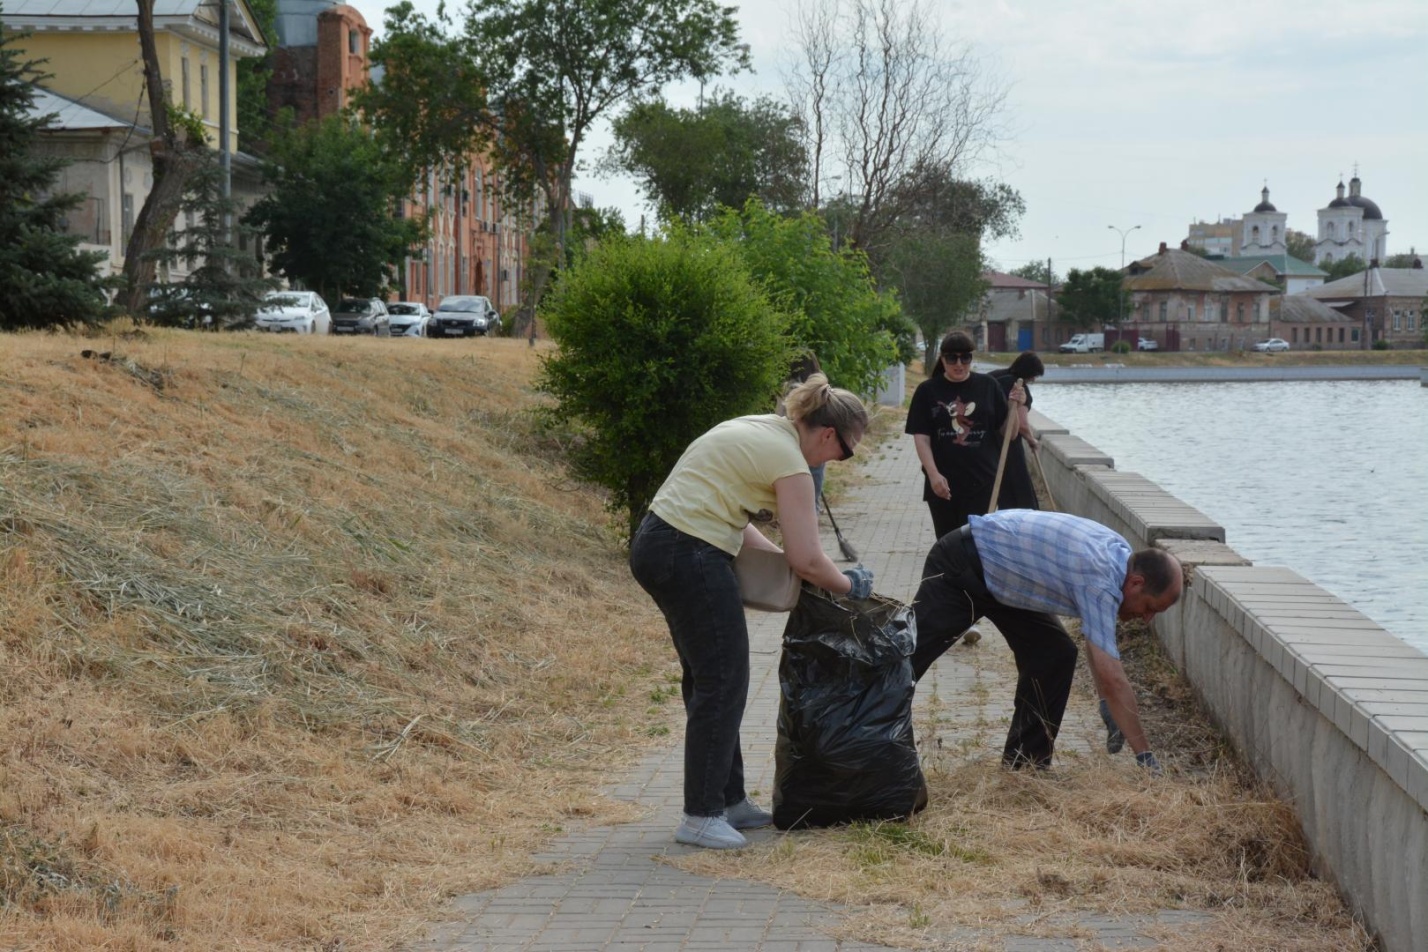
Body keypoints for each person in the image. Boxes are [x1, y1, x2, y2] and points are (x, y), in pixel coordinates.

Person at [629, 374, 874, 850]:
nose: (840, 462)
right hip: (689, 552)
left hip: (662, 542)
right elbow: (806, 557)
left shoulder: (763, 429)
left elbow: (738, 520)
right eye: (846, 452)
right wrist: (849, 585)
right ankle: (700, 815)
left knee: (710, 679)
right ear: (828, 434)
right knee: (723, 680)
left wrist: (787, 565)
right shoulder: (791, 464)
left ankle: (729, 799)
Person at [909, 509, 1182, 770]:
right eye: (1150, 608)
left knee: (1054, 654)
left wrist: (1105, 703)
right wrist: (1145, 756)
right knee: (905, 659)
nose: (1147, 619)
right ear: (1136, 583)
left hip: (1009, 582)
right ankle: (870, 736)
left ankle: (1025, 766)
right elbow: (1113, 678)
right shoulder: (1100, 581)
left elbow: (1097, 643)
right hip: (962, 563)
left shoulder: (1119, 555)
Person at [905, 332, 1015, 541]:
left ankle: (976, 576)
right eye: (952, 358)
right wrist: (933, 474)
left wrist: (1014, 406)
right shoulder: (927, 391)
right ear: (942, 359)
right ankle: (949, 576)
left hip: (983, 482)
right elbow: (921, 438)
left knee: (978, 545)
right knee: (948, 544)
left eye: (965, 358)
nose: (959, 364)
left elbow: (1009, 432)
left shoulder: (989, 386)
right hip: (943, 485)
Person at [987, 351, 1046, 512]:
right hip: (1008, 442)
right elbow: (1022, 425)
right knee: (1019, 489)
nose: (1034, 379)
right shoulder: (1020, 389)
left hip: (985, 442)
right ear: (1028, 372)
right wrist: (1031, 440)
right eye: (1034, 375)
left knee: (996, 486)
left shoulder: (993, 377)